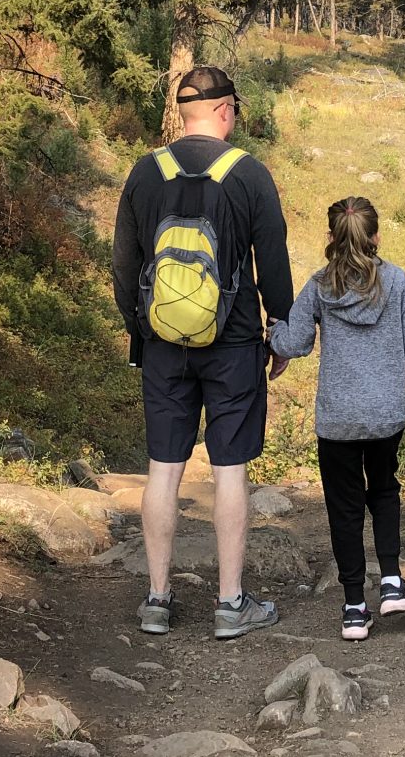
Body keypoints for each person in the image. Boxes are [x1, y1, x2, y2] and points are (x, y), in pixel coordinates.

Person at [112, 65, 293, 640]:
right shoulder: (249, 176)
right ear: (223, 112)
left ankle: (157, 599)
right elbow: (275, 263)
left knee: (163, 469)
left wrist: (139, 328)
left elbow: (123, 266)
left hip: (163, 344)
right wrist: (279, 328)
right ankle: (230, 603)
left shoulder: (146, 173)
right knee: (229, 470)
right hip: (234, 344)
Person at [268, 195, 405, 642]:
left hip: (338, 420)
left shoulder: (320, 286)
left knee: (343, 509)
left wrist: (270, 331)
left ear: (331, 238)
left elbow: (295, 342)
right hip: (385, 418)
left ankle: (353, 609)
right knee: (383, 491)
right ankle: (393, 583)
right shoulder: (396, 282)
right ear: (376, 237)